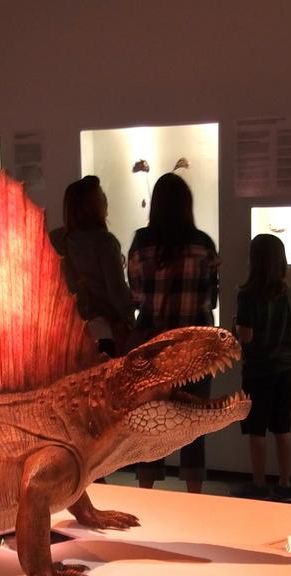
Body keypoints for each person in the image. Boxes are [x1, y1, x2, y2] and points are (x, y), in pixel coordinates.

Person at [127, 172, 219, 492]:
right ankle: (194, 495)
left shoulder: (141, 242)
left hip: (153, 347)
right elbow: (211, 297)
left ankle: (147, 494)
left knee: (152, 421)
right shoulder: (203, 244)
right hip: (196, 346)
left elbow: (136, 295)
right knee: (193, 422)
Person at [231, 234, 291, 502]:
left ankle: (258, 484)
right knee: (282, 426)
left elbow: (245, 336)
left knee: (256, 428)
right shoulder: (288, 292)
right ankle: (285, 484)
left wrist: (234, 327)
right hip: (284, 367)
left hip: (258, 370)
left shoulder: (248, 294)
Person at [49, 176, 134, 356]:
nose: (105, 199)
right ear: (92, 206)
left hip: (67, 333)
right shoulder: (105, 243)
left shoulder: (54, 240)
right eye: (101, 195)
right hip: (104, 334)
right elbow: (117, 293)